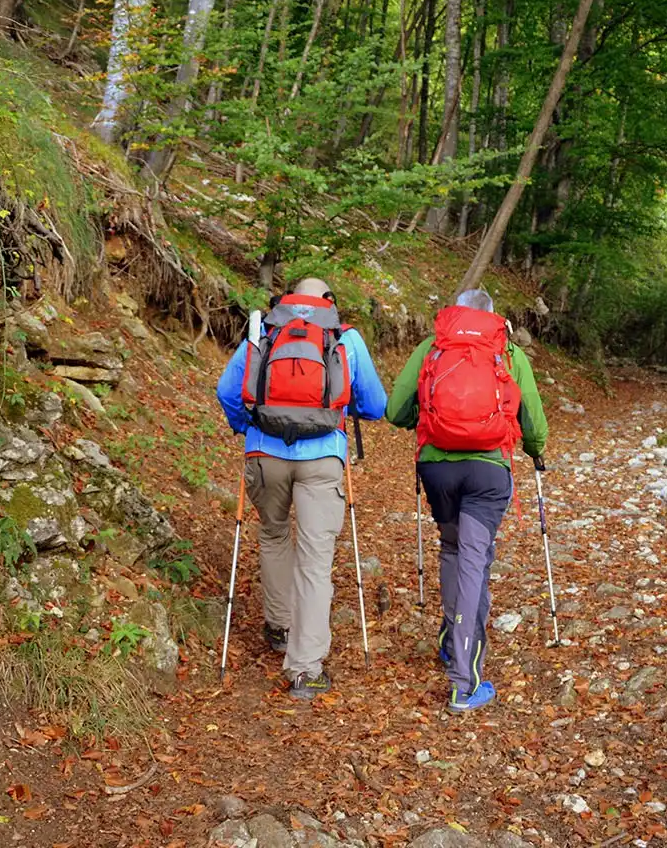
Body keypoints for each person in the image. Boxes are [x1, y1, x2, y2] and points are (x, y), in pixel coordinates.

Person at [216, 278, 387, 699]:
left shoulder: (265, 332)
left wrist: (248, 426)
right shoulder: (344, 337)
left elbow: (227, 391)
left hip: (264, 455)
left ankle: (279, 625)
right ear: (328, 302)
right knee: (315, 559)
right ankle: (305, 669)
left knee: (274, 534)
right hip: (323, 457)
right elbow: (376, 405)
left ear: (288, 299)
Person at [386, 289, 548, 713]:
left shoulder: (432, 347)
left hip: (437, 468)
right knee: (474, 561)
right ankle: (464, 682)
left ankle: (449, 638)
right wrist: (536, 449)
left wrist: (428, 421)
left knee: (453, 548)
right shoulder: (507, 351)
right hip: (487, 472)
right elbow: (532, 418)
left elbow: (396, 410)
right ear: (494, 317)